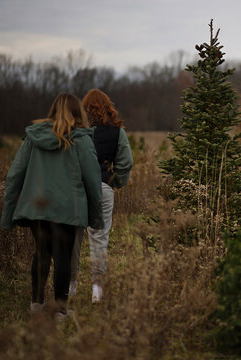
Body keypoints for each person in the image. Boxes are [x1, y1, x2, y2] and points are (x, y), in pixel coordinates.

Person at [1, 93, 103, 319]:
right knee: (63, 257)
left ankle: (36, 304)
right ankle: (59, 311)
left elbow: (14, 175)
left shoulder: (33, 137)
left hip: (37, 207)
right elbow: (93, 180)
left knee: (42, 253)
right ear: (79, 113)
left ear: (53, 111)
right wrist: (96, 218)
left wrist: (8, 214)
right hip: (68, 209)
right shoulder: (82, 140)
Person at [70, 89, 133, 304]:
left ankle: (70, 286)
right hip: (102, 187)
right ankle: (97, 289)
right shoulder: (117, 132)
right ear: (109, 107)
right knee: (99, 239)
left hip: (75, 188)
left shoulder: (74, 130)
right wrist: (114, 183)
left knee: (72, 238)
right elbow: (126, 162)